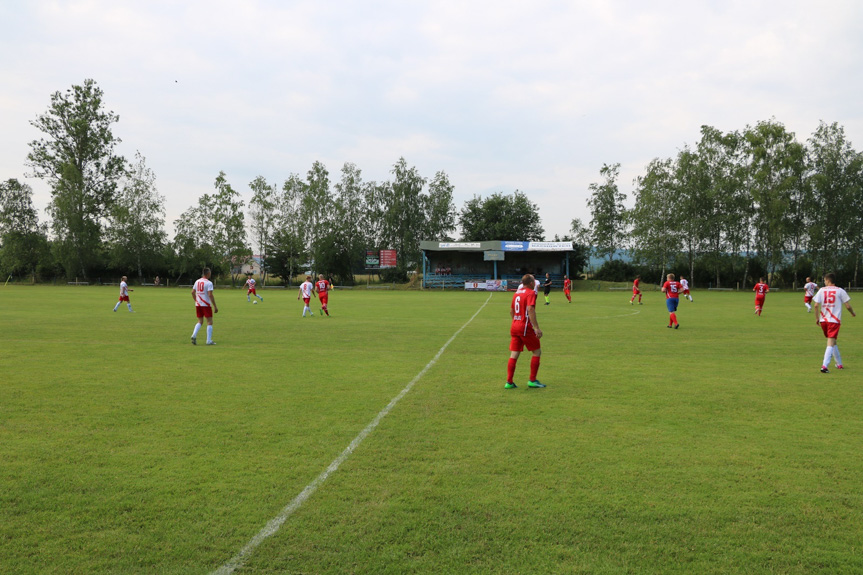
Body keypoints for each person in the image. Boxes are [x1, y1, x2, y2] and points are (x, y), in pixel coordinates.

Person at [505, 274, 545, 389]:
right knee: (537, 352)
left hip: (515, 326)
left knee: (514, 353)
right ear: (531, 283)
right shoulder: (530, 293)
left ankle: (509, 382)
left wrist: (516, 322)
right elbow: (530, 309)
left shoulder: (516, 293)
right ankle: (532, 380)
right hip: (525, 327)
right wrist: (536, 327)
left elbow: (511, 311)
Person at [813, 273, 855, 373]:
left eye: (824, 280)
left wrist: (817, 318)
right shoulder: (840, 291)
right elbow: (848, 306)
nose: (824, 282)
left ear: (828, 280)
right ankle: (824, 366)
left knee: (833, 340)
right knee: (830, 342)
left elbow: (815, 305)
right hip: (834, 320)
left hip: (823, 320)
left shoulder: (822, 290)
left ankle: (839, 363)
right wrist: (852, 313)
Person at [191, 268, 218, 345]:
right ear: (208, 274)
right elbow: (210, 294)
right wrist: (215, 306)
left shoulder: (197, 281)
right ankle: (208, 340)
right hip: (206, 305)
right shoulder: (209, 283)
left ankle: (194, 335)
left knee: (200, 321)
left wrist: (196, 300)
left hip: (198, 304)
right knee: (209, 322)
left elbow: (192, 292)